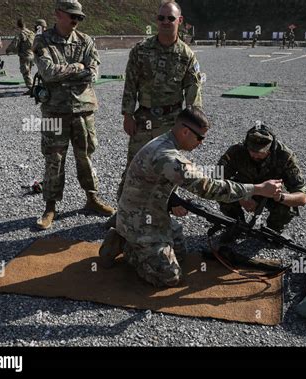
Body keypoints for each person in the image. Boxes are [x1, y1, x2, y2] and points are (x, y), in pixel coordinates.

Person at [99, 107, 283, 287]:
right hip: (140, 221)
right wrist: (257, 189)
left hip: (150, 211)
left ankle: (127, 233)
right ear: (185, 131)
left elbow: (158, 180)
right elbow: (208, 188)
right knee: (170, 277)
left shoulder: (164, 142)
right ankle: (125, 243)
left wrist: (174, 200)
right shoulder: (168, 156)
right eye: (200, 137)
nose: (201, 143)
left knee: (180, 252)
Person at [110, 0, 203, 227]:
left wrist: (193, 127)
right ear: (156, 20)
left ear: (179, 21)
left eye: (170, 18)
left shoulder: (187, 55)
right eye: (161, 18)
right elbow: (130, 85)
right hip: (144, 119)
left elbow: (193, 90)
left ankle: (160, 213)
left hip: (172, 122)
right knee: (134, 167)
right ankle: (122, 214)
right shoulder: (141, 50)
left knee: (168, 169)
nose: (165, 22)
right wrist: (127, 115)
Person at [33, 0, 114, 230]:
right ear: (58, 14)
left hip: (83, 110)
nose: (76, 22)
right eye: (72, 17)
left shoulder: (85, 40)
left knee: (86, 156)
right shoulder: (43, 40)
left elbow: (93, 74)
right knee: (54, 159)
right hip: (55, 111)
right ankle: (50, 207)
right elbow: (47, 73)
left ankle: (92, 198)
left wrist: (72, 72)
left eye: (79, 18)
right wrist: (77, 67)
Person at [217, 125, 306, 241]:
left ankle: (271, 232)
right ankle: (236, 225)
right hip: (245, 188)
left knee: (287, 206)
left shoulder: (285, 156)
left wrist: (280, 197)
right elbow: (216, 179)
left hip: (271, 193)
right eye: (251, 150)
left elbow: (302, 197)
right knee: (221, 192)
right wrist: (240, 197)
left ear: (270, 149)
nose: (255, 155)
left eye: (260, 152)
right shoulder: (236, 151)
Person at [6, 19, 35, 95]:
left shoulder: (21, 34)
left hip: (24, 56)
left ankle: (31, 89)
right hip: (32, 55)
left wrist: (8, 50)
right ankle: (32, 87)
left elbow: (14, 44)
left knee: (26, 73)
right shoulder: (31, 33)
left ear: (18, 25)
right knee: (29, 72)